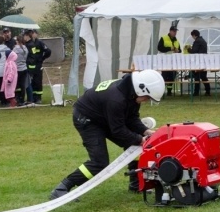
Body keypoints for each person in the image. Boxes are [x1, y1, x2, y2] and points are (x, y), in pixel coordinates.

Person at [49, 70, 164, 199]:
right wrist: (141, 139)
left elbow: (132, 118)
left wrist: (145, 131)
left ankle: (136, 185)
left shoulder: (130, 93)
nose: (146, 100)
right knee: (99, 162)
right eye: (147, 97)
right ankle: (61, 188)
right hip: (87, 119)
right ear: (140, 89)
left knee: (137, 146)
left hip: (104, 116)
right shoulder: (117, 99)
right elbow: (118, 130)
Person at [26, 28, 51, 103]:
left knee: (38, 81)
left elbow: (48, 51)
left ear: (36, 34)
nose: (32, 34)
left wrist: (42, 58)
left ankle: (38, 97)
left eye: (33, 33)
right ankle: (32, 97)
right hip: (30, 65)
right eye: (31, 33)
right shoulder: (28, 43)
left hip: (38, 65)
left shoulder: (40, 43)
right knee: (31, 81)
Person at [157, 25, 181, 96]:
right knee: (164, 76)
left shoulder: (176, 40)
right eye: (174, 31)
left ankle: (169, 91)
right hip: (165, 61)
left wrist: (178, 50)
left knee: (172, 76)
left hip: (173, 61)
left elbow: (180, 50)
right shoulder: (163, 38)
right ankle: (162, 91)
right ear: (170, 31)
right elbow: (159, 48)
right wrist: (169, 49)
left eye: (176, 31)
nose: (175, 32)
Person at [188, 29, 210, 97]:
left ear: (194, 35)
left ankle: (196, 92)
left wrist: (189, 49)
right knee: (204, 77)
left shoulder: (197, 41)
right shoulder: (203, 41)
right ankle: (208, 91)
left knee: (197, 78)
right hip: (204, 61)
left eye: (192, 36)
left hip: (198, 62)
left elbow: (194, 51)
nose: (192, 37)